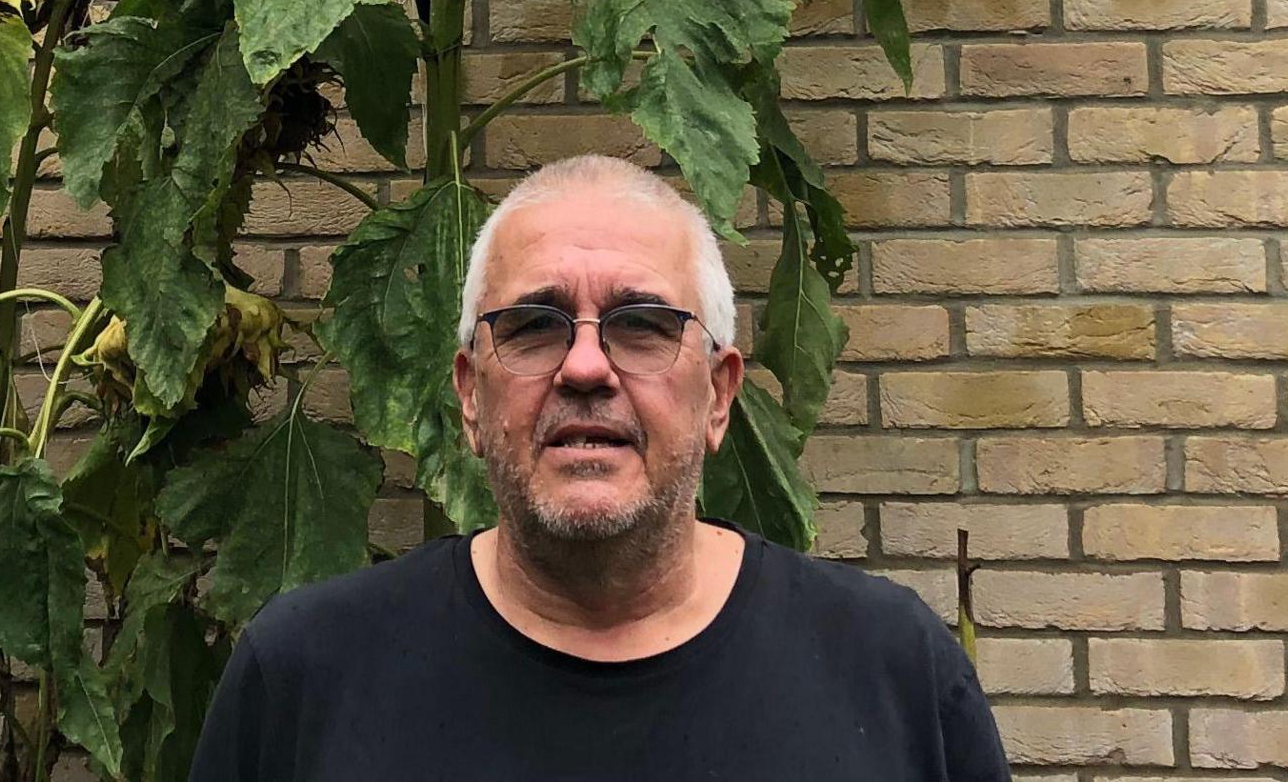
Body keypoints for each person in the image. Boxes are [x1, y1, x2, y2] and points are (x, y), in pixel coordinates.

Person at [186, 153, 1010, 781]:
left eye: (643, 323)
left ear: (720, 395)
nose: (585, 367)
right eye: (535, 326)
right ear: (470, 398)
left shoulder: (894, 675)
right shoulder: (301, 681)